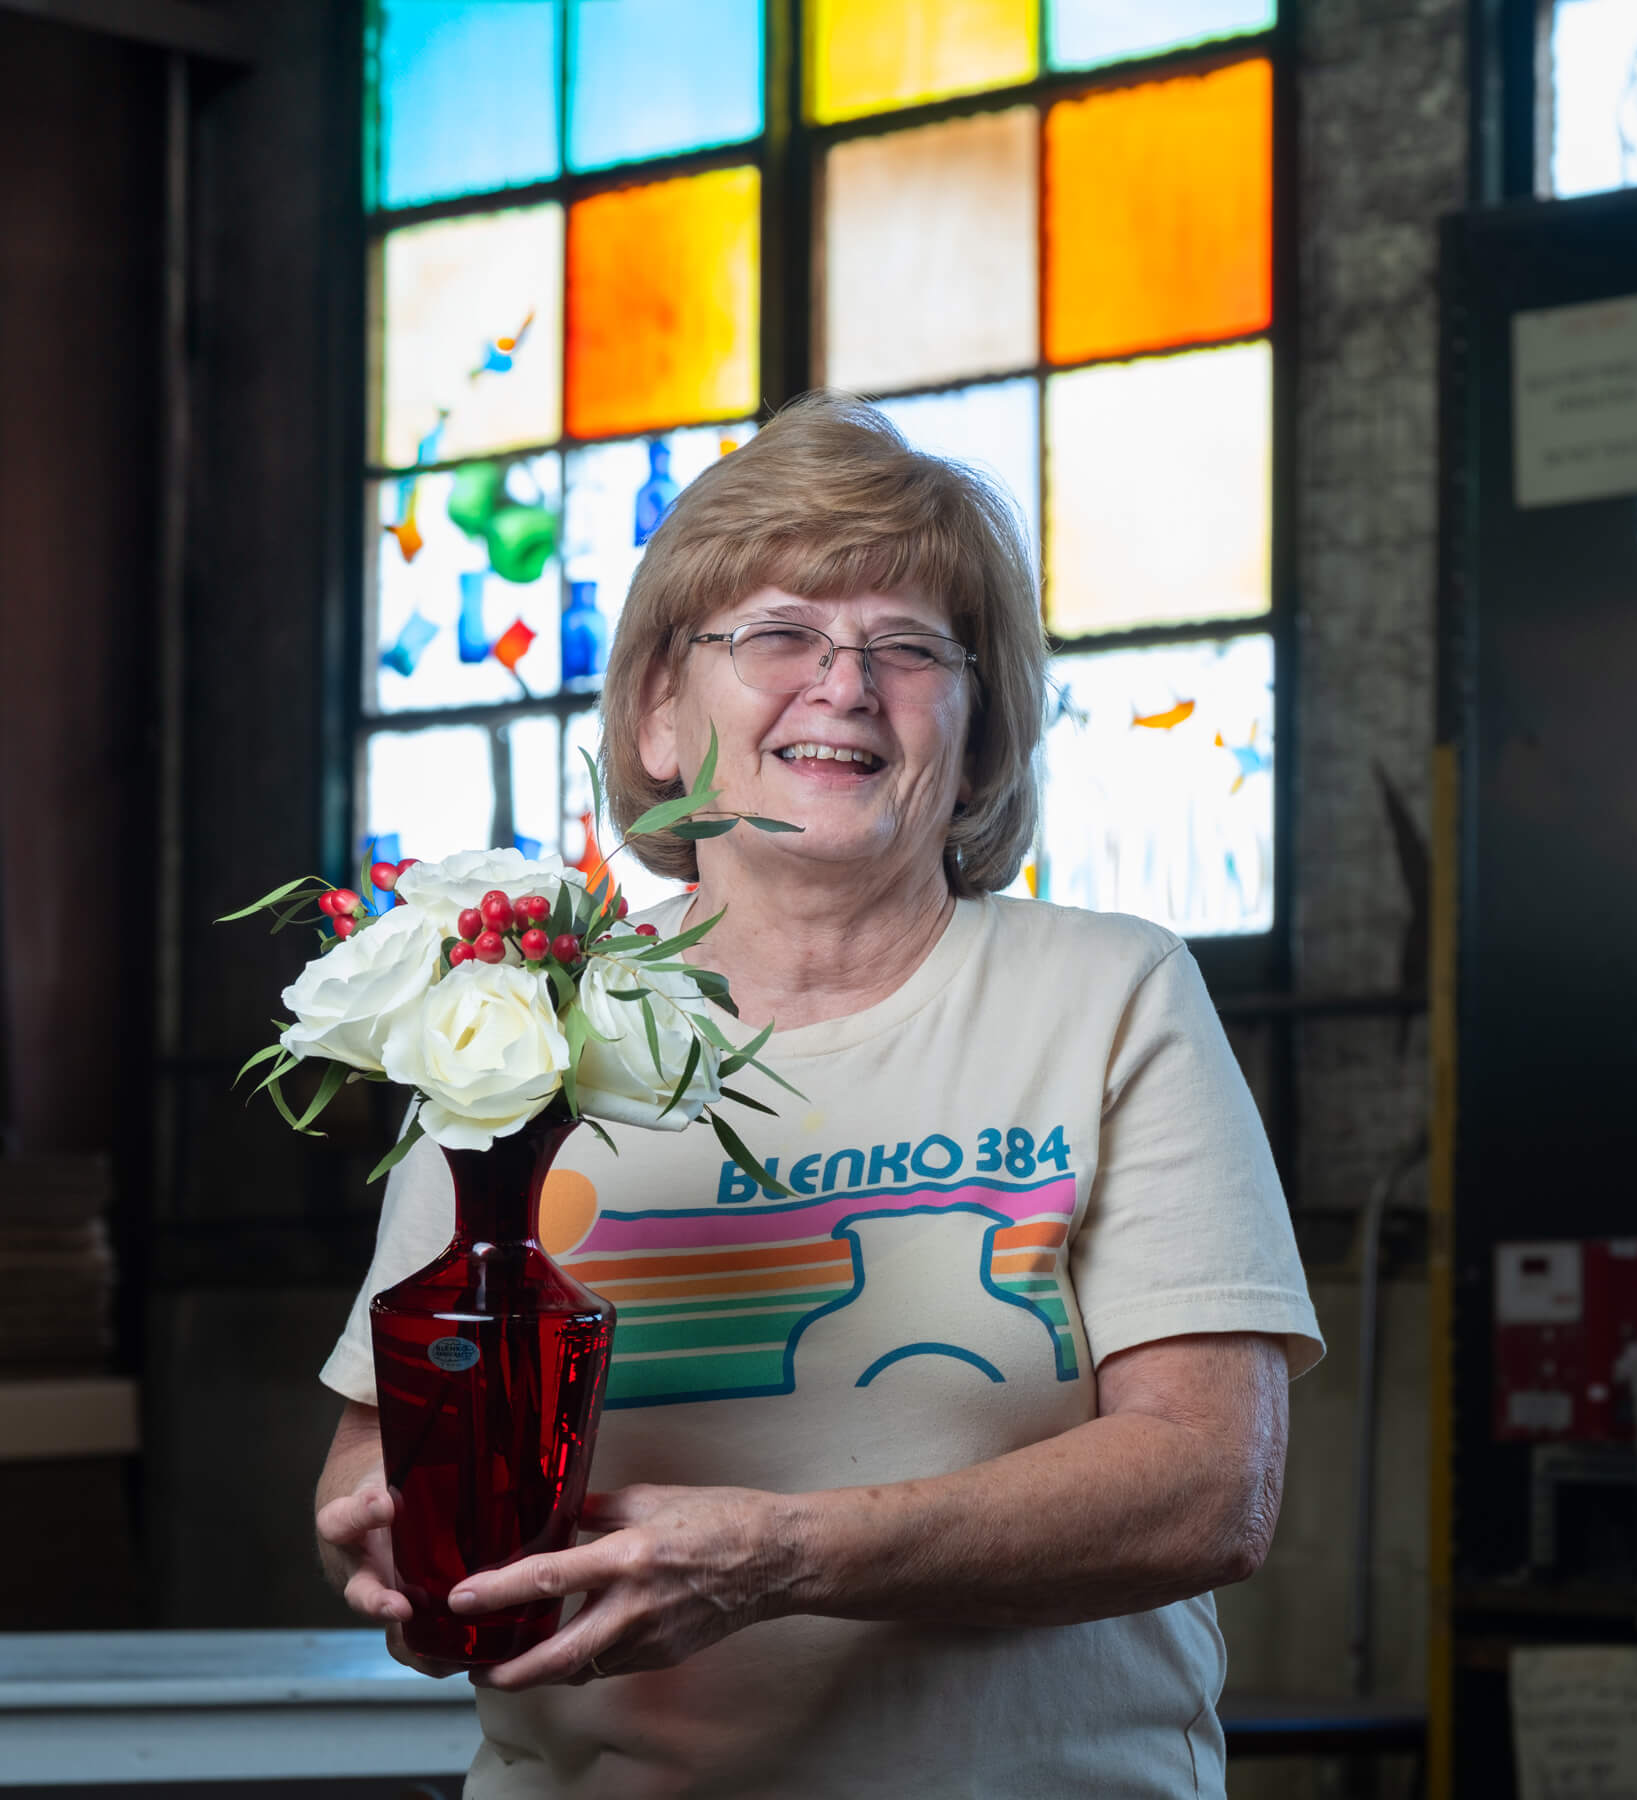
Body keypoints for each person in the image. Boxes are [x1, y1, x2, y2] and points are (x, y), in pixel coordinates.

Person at [314, 393, 1323, 1799]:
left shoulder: (1110, 997)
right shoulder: (517, 1017)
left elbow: (1209, 1486)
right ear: (661, 713)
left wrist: (781, 1558)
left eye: (909, 649)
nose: (845, 686)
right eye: (779, 634)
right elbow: (374, 1448)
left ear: (974, 738)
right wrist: (395, 1545)